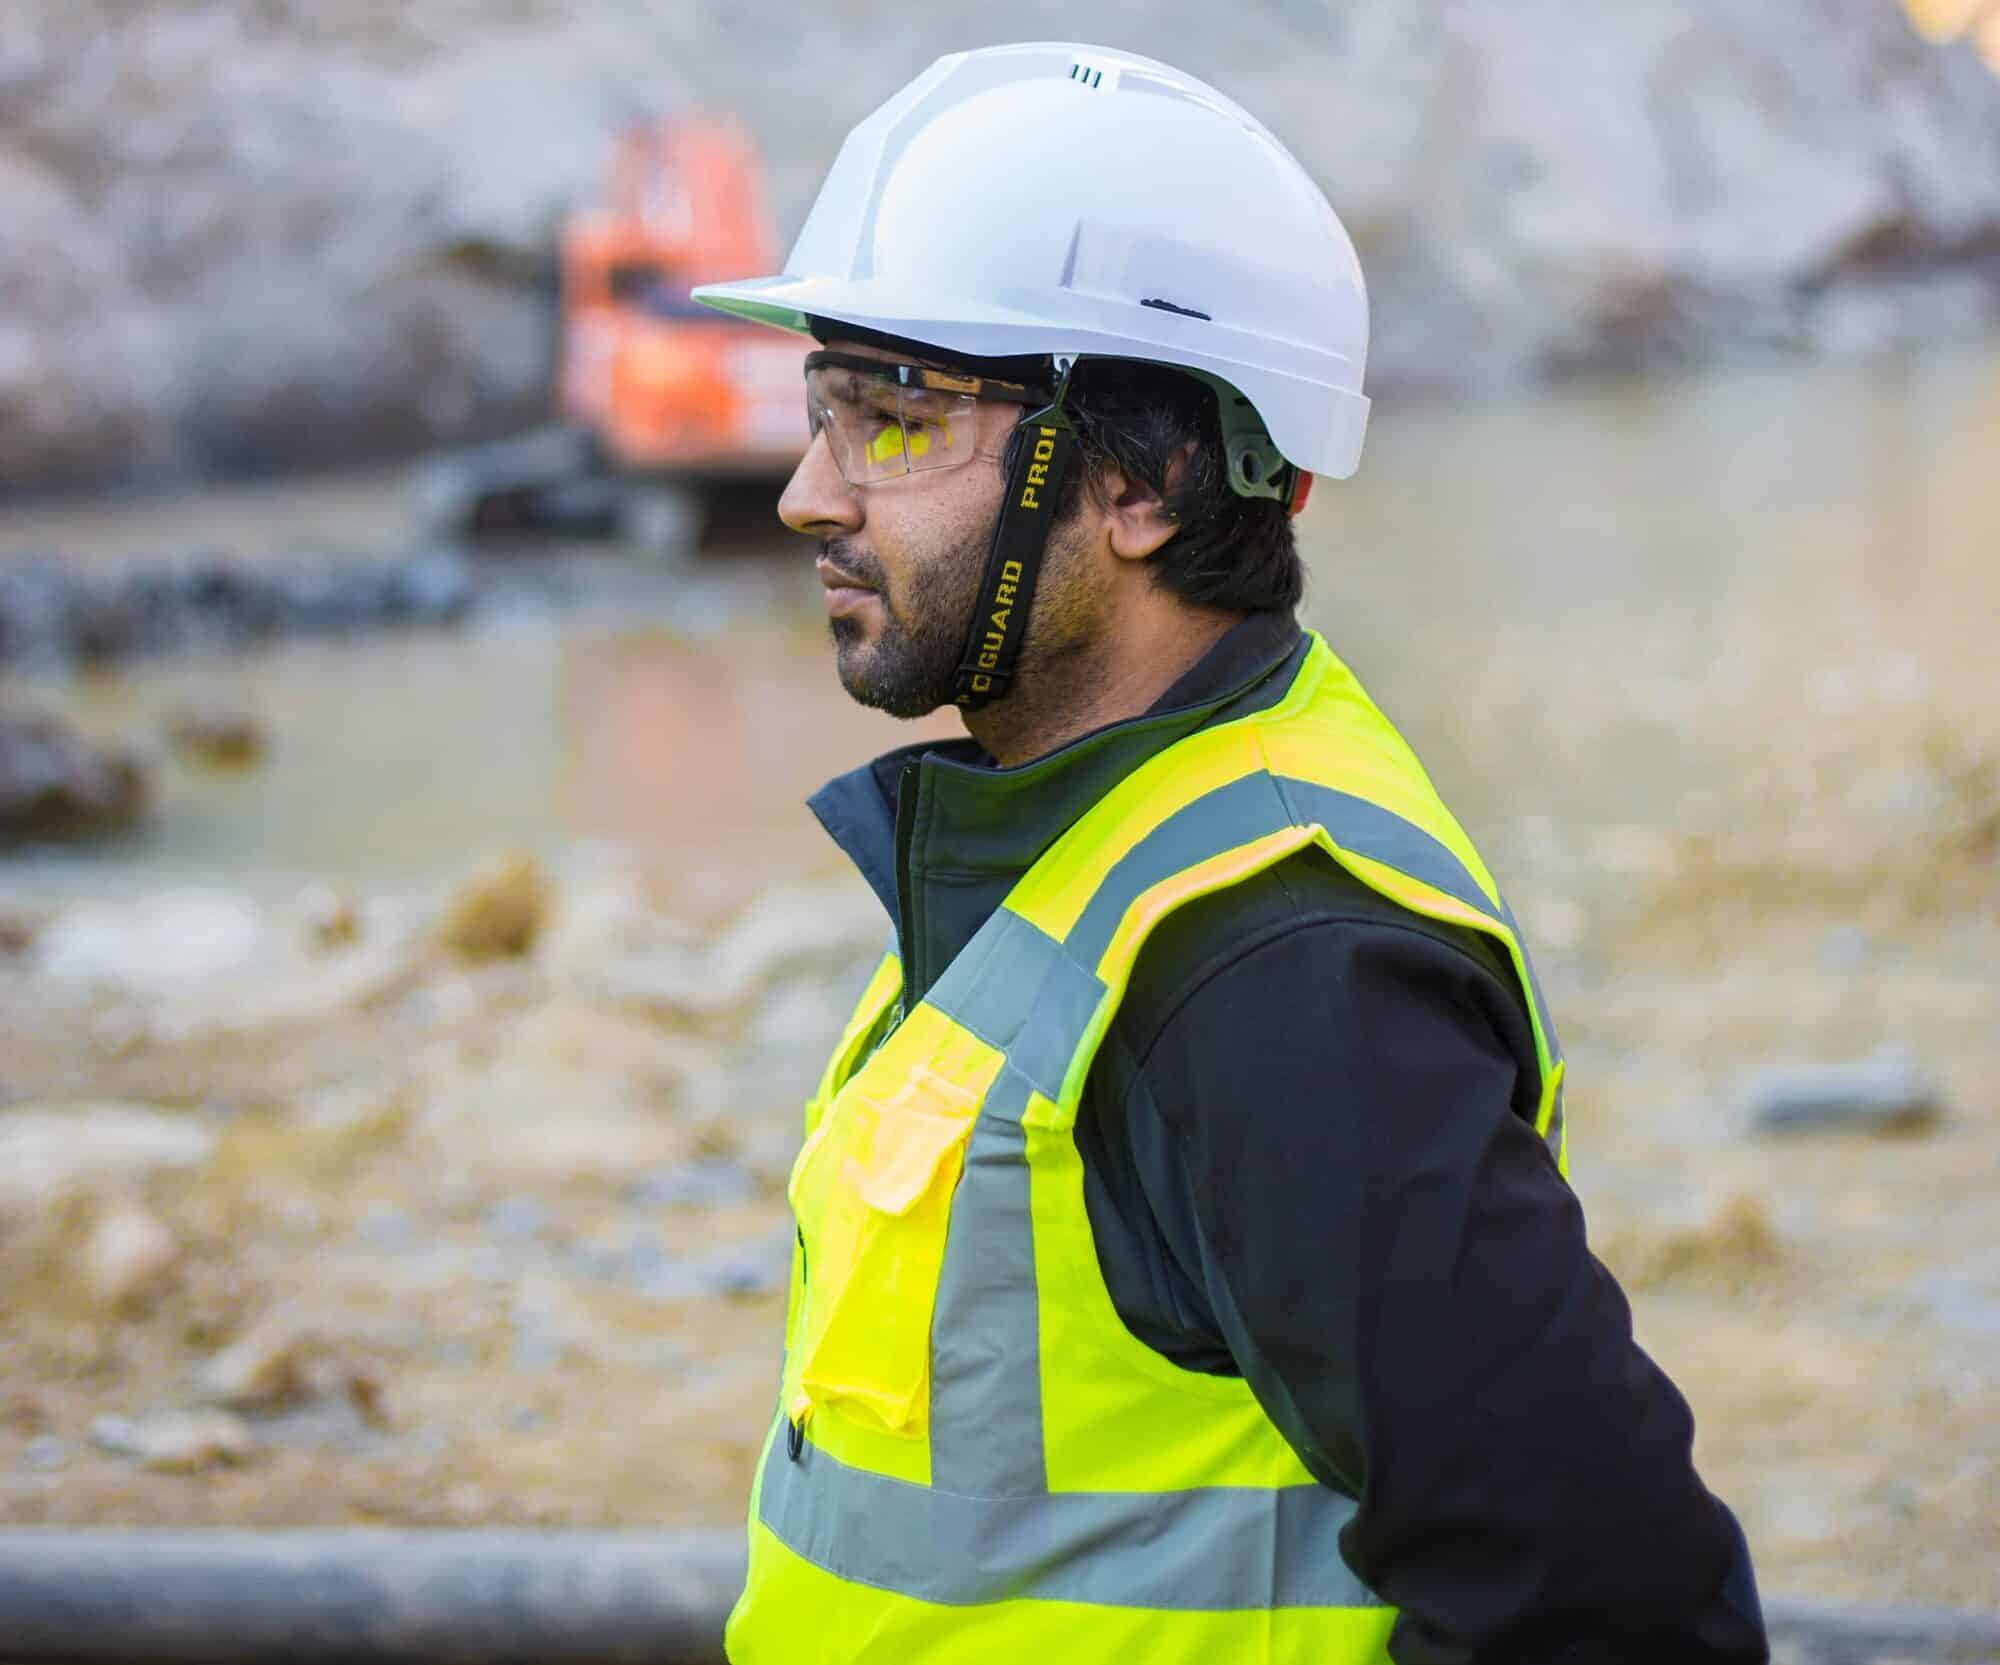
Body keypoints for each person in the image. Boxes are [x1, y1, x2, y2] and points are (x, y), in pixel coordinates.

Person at [694, 40, 1767, 1665]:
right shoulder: (1078, 830)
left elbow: (1612, 1603)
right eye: (823, 408)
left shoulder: (1272, 961)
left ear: (1143, 478)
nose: (804, 493)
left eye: (895, 420)